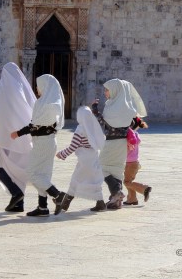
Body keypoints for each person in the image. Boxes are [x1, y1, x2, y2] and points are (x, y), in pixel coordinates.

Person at [11, 74, 68, 217]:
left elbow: (35, 125)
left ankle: (58, 195)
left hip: (42, 142)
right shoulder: (54, 103)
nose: (37, 88)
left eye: (38, 85)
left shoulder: (44, 104)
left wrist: (18, 133)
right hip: (49, 141)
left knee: (32, 173)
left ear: (45, 86)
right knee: (43, 175)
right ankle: (43, 207)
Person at [92, 78, 147, 210]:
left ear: (114, 90)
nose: (105, 92)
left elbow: (104, 125)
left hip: (111, 143)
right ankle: (116, 202)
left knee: (100, 168)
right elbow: (135, 123)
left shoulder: (111, 107)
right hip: (123, 143)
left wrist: (94, 110)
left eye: (107, 90)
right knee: (116, 170)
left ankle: (116, 192)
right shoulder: (128, 107)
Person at [0, 62, 35, 213]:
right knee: (18, 169)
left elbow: (1, 115)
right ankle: (19, 204)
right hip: (24, 137)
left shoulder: (4, 89)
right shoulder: (22, 88)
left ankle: (15, 192)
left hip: (6, 136)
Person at [55, 106, 107, 212]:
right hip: (94, 157)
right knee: (94, 181)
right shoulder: (93, 127)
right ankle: (100, 204)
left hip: (84, 160)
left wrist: (62, 154)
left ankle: (65, 204)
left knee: (75, 180)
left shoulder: (80, 129)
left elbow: (73, 147)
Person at [123, 117, 152, 205]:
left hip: (130, 163)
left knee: (127, 182)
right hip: (135, 162)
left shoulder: (129, 136)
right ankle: (132, 199)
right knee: (129, 181)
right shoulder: (136, 134)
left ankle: (144, 189)